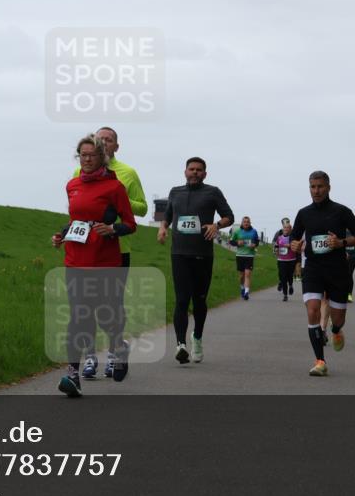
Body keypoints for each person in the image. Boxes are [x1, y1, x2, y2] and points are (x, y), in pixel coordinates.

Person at [52, 135, 137, 397]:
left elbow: (130, 224)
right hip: (75, 261)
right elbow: (76, 220)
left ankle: (118, 347)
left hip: (105, 262)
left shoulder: (114, 188)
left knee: (106, 316)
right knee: (79, 317)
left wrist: (113, 229)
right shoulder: (72, 185)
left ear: (102, 156)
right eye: (82, 155)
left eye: (91, 155)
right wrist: (61, 235)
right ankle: (73, 375)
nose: (86, 159)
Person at [71, 127, 147, 380]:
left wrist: (117, 204)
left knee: (110, 309)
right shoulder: (76, 177)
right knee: (83, 310)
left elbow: (142, 209)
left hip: (117, 250)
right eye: (99, 139)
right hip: (82, 253)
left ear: (114, 146)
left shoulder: (126, 174)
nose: (102, 143)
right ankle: (89, 357)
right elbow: (79, 211)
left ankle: (116, 350)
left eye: (108, 140)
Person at [289, 171, 355, 377]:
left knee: (338, 317)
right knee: (313, 310)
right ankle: (320, 361)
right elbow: (294, 238)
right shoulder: (304, 213)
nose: (316, 191)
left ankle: (335, 330)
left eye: (320, 186)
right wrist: (295, 244)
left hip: (337, 270)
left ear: (328, 187)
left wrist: (341, 242)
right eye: (312, 187)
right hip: (313, 269)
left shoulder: (341, 211)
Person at [157, 157, 234, 364]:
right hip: (179, 253)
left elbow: (229, 216)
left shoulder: (212, 192)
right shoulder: (175, 192)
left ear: (205, 174)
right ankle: (181, 345)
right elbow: (168, 214)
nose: (195, 172)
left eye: (199, 170)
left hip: (203, 254)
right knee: (182, 299)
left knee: (199, 300)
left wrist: (216, 225)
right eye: (191, 169)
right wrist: (163, 228)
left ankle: (197, 337)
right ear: (185, 172)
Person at [229, 216, 259, 300]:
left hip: (249, 255)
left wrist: (254, 245)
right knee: (241, 275)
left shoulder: (254, 232)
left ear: (250, 223)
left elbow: (257, 241)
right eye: (244, 222)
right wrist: (237, 243)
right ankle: (242, 287)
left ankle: (246, 292)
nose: (246, 223)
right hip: (240, 255)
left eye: (247, 222)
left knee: (247, 274)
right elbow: (231, 241)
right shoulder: (237, 232)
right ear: (242, 223)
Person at [273, 219, 297, 301]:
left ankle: (290, 285)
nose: (286, 229)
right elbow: (276, 246)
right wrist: (276, 250)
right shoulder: (279, 238)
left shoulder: (293, 237)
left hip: (291, 259)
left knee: (289, 275)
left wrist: (290, 245)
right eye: (284, 228)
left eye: (288, 228)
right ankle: (285, 294)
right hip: (281, 260)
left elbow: (296, 246)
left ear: (290, 229)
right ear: (282, 229)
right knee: (282, 276)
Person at [344, 229, 355, 302]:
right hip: (342, 257)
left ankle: (349, 295)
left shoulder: (354, 230)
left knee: (349, 275)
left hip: (352, 257)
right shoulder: (340, 230)